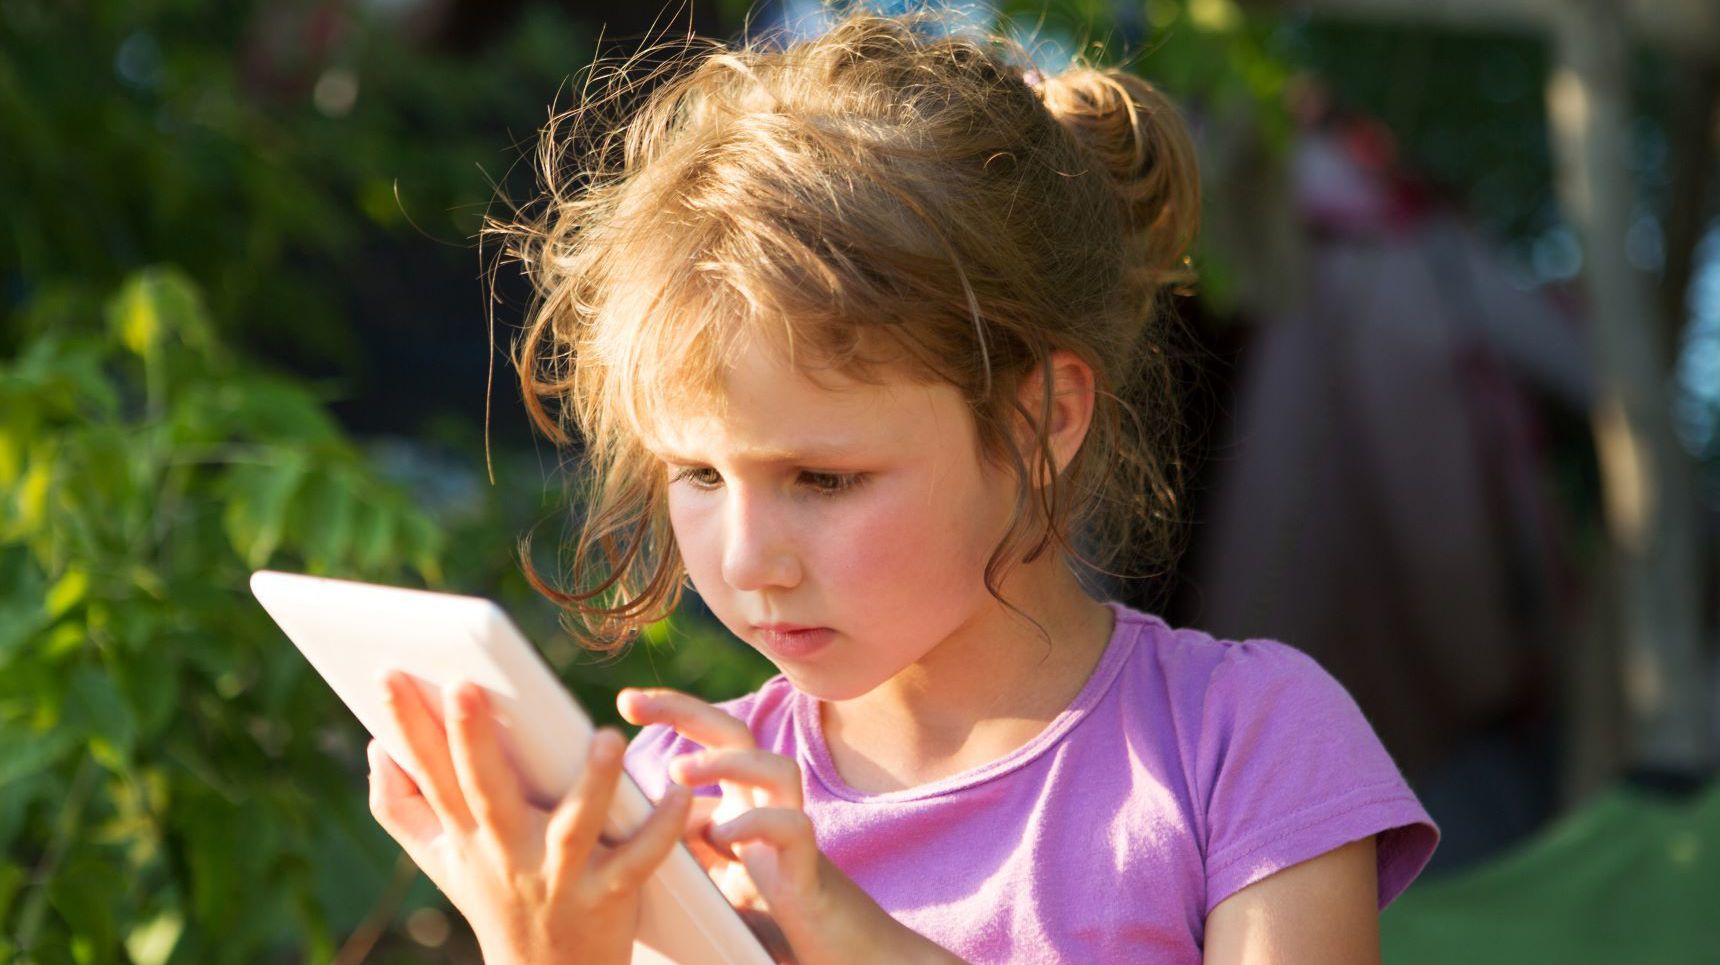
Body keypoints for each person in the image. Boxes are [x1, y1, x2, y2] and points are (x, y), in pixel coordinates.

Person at [364, 8, 1440, 963]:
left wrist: (854, 933)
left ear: (1041, 417)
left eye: (821, 477)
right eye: (695, 470)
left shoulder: (1242, 743)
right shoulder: (679, 789)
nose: (745, 558)